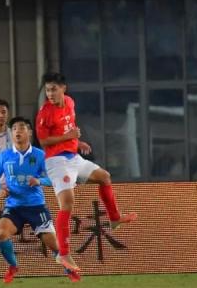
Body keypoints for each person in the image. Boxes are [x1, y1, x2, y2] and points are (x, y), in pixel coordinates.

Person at [35, 72, 137, 272]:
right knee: (67, 203)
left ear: (63, 89)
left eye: (53, 89)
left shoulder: (69, 103)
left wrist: (77, 142)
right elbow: (44, 142)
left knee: (104, 177)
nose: (50, 94)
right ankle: (63, 254)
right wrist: (68, 137)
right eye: (47, 90)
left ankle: (114, 218)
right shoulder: (45, 113)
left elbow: (69, 129)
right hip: (57, 162)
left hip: (74, 158)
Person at [0, 116, 79, 283]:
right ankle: (13, 266)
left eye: (21, 128)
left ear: (29, 132)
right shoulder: (4, 156)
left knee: (54, 246)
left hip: (36, 207)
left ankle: (71, 272)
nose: (18, 131)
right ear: (11, 133)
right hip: (14, 207)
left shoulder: (40, 155)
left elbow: (54, 178)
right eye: (14, 128)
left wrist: (39, 181)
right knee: (1, 234)